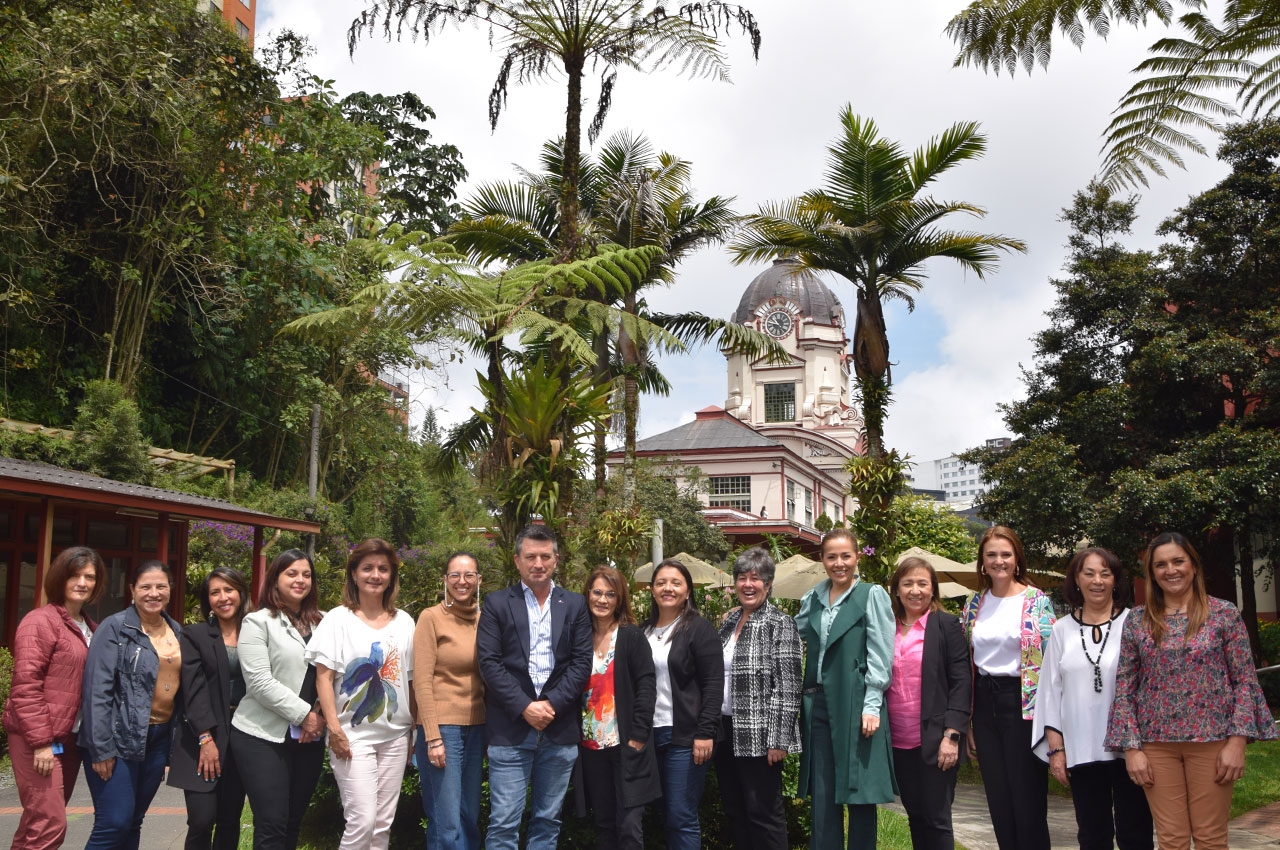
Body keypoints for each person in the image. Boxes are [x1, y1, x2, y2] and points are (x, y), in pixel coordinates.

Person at [1105, 532, 1276, 850]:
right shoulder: (1138, 621)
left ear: (1193, 566)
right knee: (1172, 840)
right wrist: (1131, 749)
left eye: (1178, 561)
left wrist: (1237, 742)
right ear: (1152, 573)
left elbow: (1245, 682)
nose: (1171, 570)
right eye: (1161, 564)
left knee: (1211, 838)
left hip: (1212, 742)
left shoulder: (1223, 615)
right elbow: (1125, 688)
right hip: (1156, 746)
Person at [476, 524, 591, 850]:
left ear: (556, 560)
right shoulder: (497, 604)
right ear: (517, 560)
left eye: (545, 556)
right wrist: (526, 707)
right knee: (504, 822)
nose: (538, 563)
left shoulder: (575, 604)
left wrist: (551, 704)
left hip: (559, 728)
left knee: (547, 820)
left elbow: (581, 663)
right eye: (530, 557)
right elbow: (490, 664)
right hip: (510, 729)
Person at [1033, 547, 1153, 850]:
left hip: (1132, 749)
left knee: (1136, 832)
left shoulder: (1135, 624)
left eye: (1105, 573)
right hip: (1081, 747)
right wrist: (1056, 750)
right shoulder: (1061, 630)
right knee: (1092, 834)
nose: (1097, 581)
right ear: (1076, 579)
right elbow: (1049, 692)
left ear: (1116, 580)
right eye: (1088, 573)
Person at [308, 538, 417, 850]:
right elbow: (323, 678)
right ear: (353, 574)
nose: (376, 575)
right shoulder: (337, 620)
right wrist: (334, 729)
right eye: (367, 568)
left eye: (383, 569)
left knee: (382, 826)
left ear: (392, 576)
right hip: (352, 737)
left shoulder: (405, 622)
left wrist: (414, 729)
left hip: (395, 736)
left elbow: (410, 681)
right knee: (362, 821)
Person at [795, 529, 896, 850]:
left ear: (856, 557)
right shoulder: (813, 598)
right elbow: (792, 633)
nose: (839, 563)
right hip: (819, 704)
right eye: (831, 557)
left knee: (859, 792)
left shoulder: (871, 594)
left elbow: (881, 652)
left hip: (858, 704)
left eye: (845, 556)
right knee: (823, 796)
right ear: (822, 560)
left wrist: (872, 704)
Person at [960, 525, 1055, 850]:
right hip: (985, 704)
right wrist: (969, 719)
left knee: (1027, 801)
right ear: (982, 563)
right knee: (999, 800)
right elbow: (965, 665)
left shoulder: (1037, 601)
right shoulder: (973, 604)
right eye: (991, 555)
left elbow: (1053, 662)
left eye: (1005, 554)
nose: (999, 561)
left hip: (1024, 704)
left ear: (1017, 560)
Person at [4, 546, 103, 850]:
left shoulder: (90, 628)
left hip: (69, 741)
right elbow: (26, 685)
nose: (83, 582)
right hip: (37, 739)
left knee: (38, 821)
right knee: (50, 823)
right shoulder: (40, 621)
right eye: (75, 575)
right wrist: (41, 743)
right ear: (60, 577)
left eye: (90, 576)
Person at [79, 560, 183, 850]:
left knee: (135, 819)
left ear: (169, 589)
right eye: (145, 587)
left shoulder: (176, 630)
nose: (154, 593)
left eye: (160, 586)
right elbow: (96, 691)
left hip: (157, 738)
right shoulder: (115, 628)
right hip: (118, 738)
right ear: (132, 590)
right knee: (114, 822)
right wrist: (101, 748)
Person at [232, 549, 326, 850]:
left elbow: (333, 673)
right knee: (271, 824)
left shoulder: (323, 622)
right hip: (261, 736)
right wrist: (305, 715)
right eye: (292, 573)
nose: (300, 580)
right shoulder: (257, 622)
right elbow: (259, 682)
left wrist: (320, 713)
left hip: (308, 737)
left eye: (307, 574)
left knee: (293, 821)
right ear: (275, 578)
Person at [716, 546, 803, 850]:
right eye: (742, 578)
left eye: (756, 578)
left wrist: (779, 740)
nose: (748, 584)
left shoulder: (780, 623)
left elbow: (789, 686)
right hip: (725, 733)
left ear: (768, 585)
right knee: (736, 810)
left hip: (759, 736)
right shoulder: (728, 622)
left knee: (764, 813)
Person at [886, 556, 971, 850]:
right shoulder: (887, 627)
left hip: (937, 741)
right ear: (896, 589)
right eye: (907, 583)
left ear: (933, 589)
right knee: (916, 817)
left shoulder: (946, 625)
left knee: (937, 820)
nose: (915, 590)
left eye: (923, 583)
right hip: (897, 741)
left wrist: (952, 735)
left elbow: (962, 681)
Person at [640, 558, 723, 850]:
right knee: (663, 812)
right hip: (649, 737)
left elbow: (714, 685)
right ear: (652, 590)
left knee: (681, 815)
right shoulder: (643, 632)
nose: (668, 588)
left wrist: (705, 732)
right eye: (661, 583)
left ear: (687, 591)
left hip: (686, 738)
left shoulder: (699, 629)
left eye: (676, 583)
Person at [168, 567, 253, 850]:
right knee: (202, 819)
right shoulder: (195, 635)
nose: (223, 597)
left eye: (228, 590)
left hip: (243, 735)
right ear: (208, 600)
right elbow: (192, 691)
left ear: (241, 593)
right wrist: (205, 737)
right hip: (201, 736)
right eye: (215, 592)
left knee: (230, 819)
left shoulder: (256, 633)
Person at [578, 566, 660, 850]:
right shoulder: (579, 637)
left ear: (619, 599)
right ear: (587, 594)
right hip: (591, 748)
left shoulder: (630, 636)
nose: (602, 599)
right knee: (603, 824)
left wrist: (638, 735)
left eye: (610, 594)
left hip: (626, 745)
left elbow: (647, 685)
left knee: (628, 827)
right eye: (597, 592)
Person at [414, 551, 486, 850]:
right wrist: (432, 737)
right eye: (455, 575)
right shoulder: (431, 618)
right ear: (445, 580)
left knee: (469, 814)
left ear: (479, 580)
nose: (462, 581)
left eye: (469, 575)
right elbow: (421, 680)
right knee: (447, 821)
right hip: (442, 729)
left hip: (477, 727)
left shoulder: (485, 620)